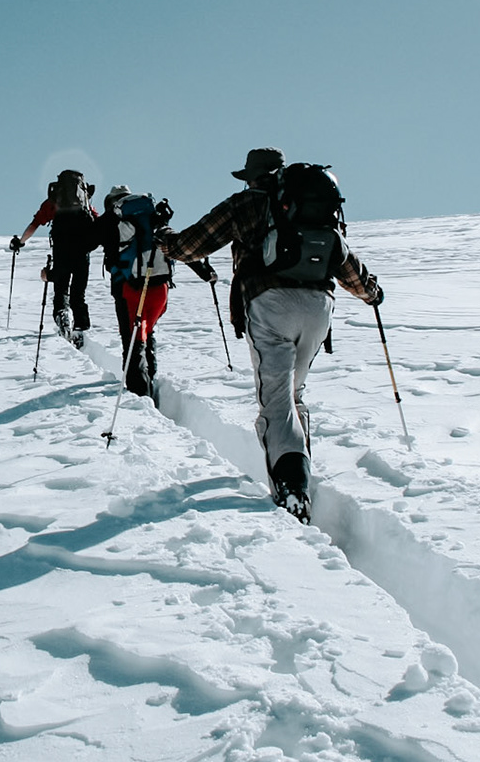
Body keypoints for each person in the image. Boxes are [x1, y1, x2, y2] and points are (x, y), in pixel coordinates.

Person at [162, 148, 383, 521]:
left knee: (276, 403)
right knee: (294, 394)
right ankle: (301, 471)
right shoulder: (310, 201)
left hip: (269, 306)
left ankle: (292, 491)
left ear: (251, 176)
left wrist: (165, 240)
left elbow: (190, 246)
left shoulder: (244, 203)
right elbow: (343, 259)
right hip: (319, 308)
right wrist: (370, 292)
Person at [97, 185, 175, 402]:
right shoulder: (152, 217)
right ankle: (151, 383)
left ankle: (139, 395)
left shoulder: (113, 220)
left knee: (132, 339)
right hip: (159, 287)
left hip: (128, 288)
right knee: (147, 333)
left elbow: (90, 240)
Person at [11, 170, 97, 348]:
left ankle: (63, 317)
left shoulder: (53, 201)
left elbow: (35, 224)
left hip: (62, 252)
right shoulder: (85, 203)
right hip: (82, 254)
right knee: (78, 294)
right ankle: (80, 330)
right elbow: (98, 225)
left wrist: (20, 242)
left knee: (61, 289)